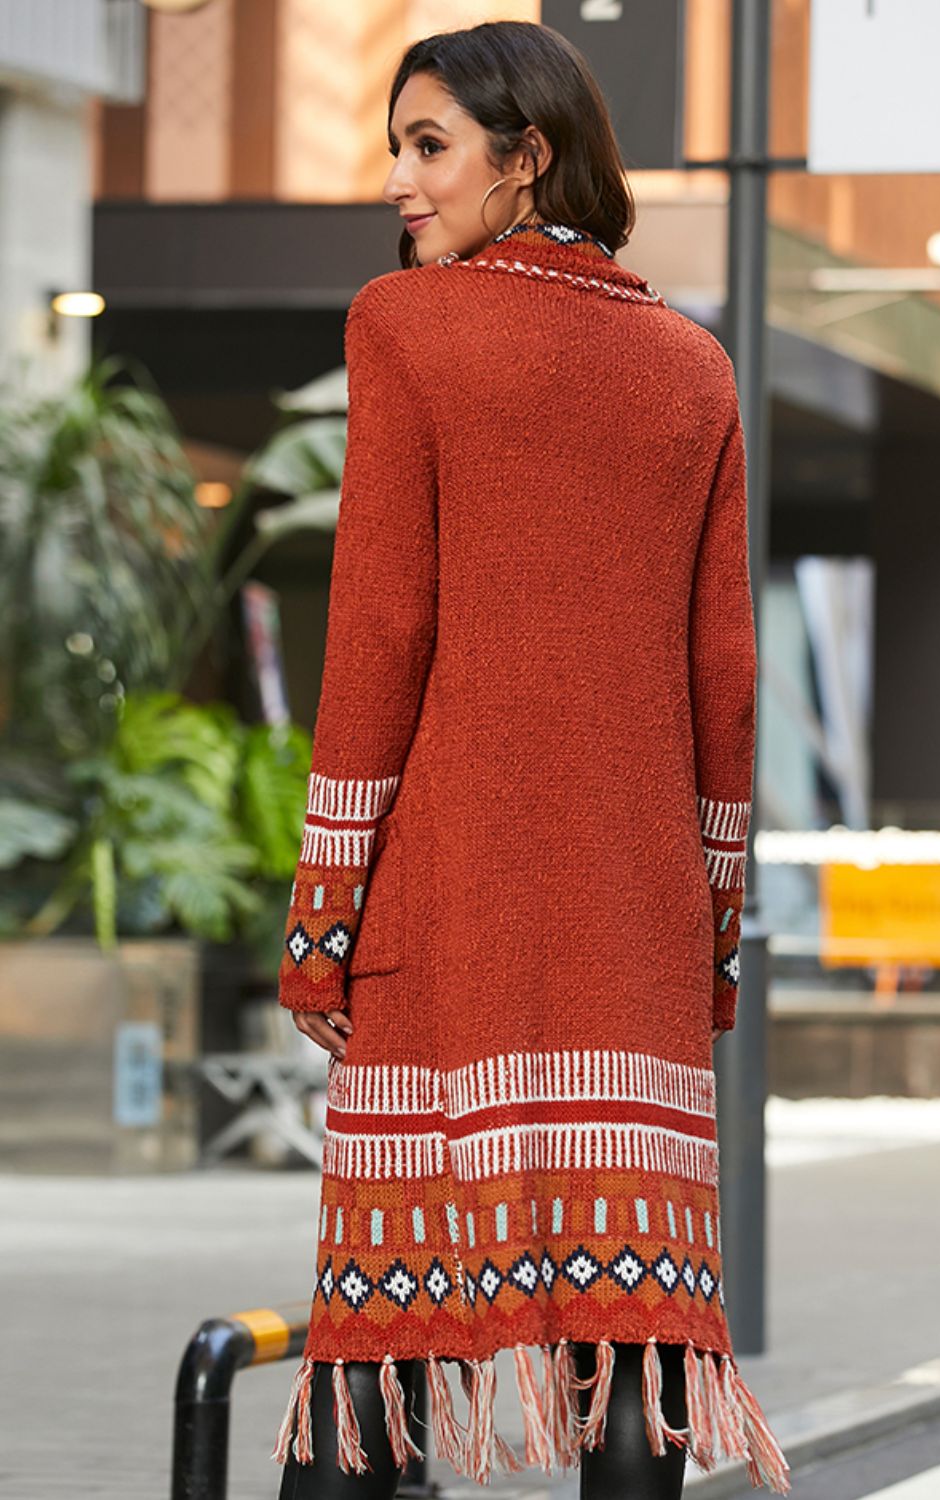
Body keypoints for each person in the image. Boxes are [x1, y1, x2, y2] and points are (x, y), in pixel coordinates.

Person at [271, 18, 789, 1499]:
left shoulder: (406, 326)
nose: (399, 180)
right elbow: (724, 682)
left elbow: (380, 633)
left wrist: (322, 919)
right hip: (635, 937)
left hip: (451, 917)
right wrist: (711, 936)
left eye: (429, 146)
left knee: (383, 1334)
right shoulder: (695, 369)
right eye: (396, 147)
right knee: (637, 1331)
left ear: (527, 157)